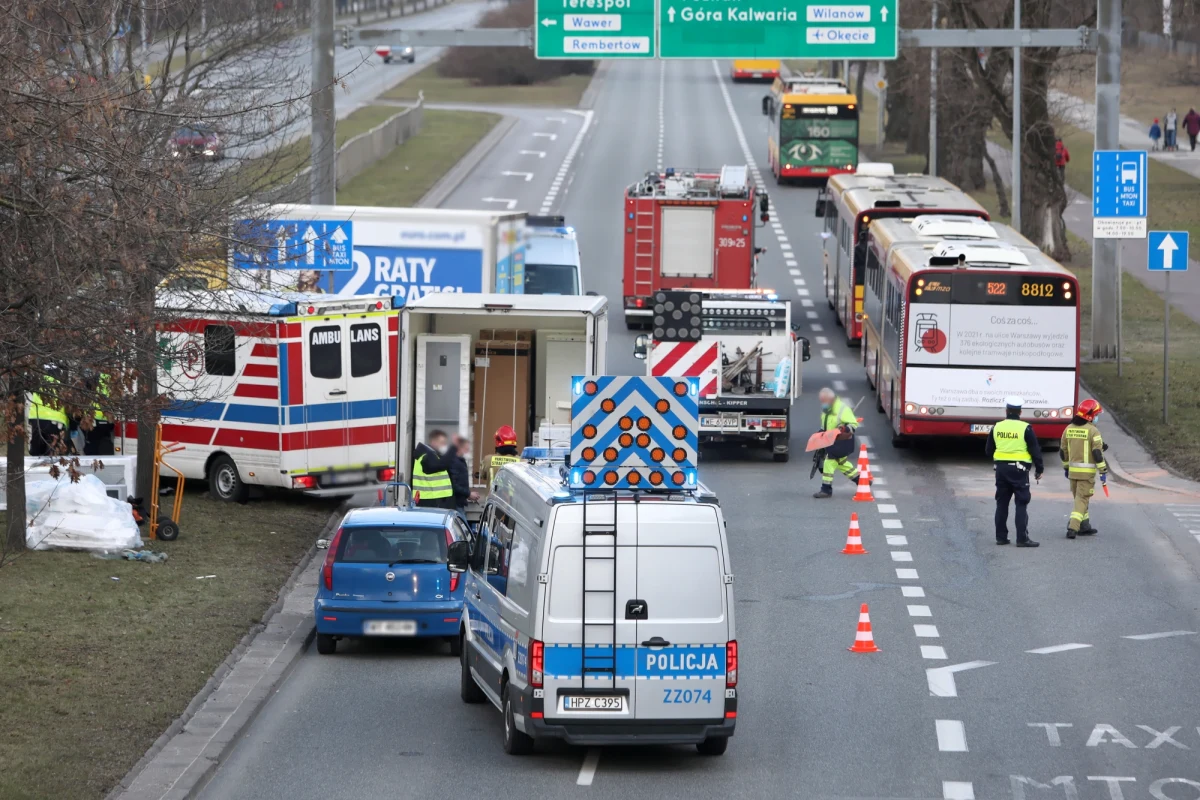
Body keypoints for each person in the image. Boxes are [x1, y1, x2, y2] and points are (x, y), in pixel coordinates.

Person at [984, 396, 1044, 548]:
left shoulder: (997, 427)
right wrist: (1039, 469)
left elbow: (988, 450)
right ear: (1020, 412)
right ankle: (1022, 539)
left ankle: (1001, 537)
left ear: (1006, 411)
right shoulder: (1026, 428)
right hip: (1019, 471)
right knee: (1021, 503)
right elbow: (1035, 450)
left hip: (1001, 470)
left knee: (1002, 503)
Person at [1059, 399, 1108, 539]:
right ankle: (1073, 527)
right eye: (1096, 415)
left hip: (1072, 473)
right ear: (1090, 416)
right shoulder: (1093, 431)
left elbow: (1063, 451)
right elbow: (1097, 454)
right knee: (1082, 499)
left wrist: (1066, 467)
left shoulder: (1068, 428)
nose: (1097, 417)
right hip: (1086, 475)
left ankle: (1084, 526)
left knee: (1080, 499)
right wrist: (1103, 470)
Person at [812, 387, 862, 499]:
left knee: (828, 463)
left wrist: (845, 428)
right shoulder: (827, 410)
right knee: (842, 463)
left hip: (841, 441)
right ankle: (862, 481)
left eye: (824, 401)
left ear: (831, 399)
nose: (823, 404)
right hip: (831, 441)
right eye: (821, 401)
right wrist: (820, 434)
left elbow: (853, 425)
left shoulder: (842, 409)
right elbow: (825, 425)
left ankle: (826, 490)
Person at [27, 373, 69, 457]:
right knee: (52, 449)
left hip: (37, 418)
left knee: (37, 449)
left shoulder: (38, 383)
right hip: (55, 421)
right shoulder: (62, 385)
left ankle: (36, 461)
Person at [412, 430, 456, 509]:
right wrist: (453, 450)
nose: (444, 445)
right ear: (433, 442)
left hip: (433, 499)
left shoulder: (432, 455)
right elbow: (438, 466)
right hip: (431, 500)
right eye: (442, 443)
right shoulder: (427, 456)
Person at [84, 373, 115, 456]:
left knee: (92, 447)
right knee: (105, 444)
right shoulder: (109, 379)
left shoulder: (94, 379)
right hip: (108, 421)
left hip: (95, 421)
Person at [449, 435, 480, 513]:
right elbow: (453, 485)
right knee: (462, 521)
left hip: (459, 503)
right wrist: (468, 494)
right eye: (466, 448)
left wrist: (467, 495)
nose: (468, 451)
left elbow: (460, 482)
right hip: (455, 504)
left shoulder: (460, 461)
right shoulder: (454, 462)